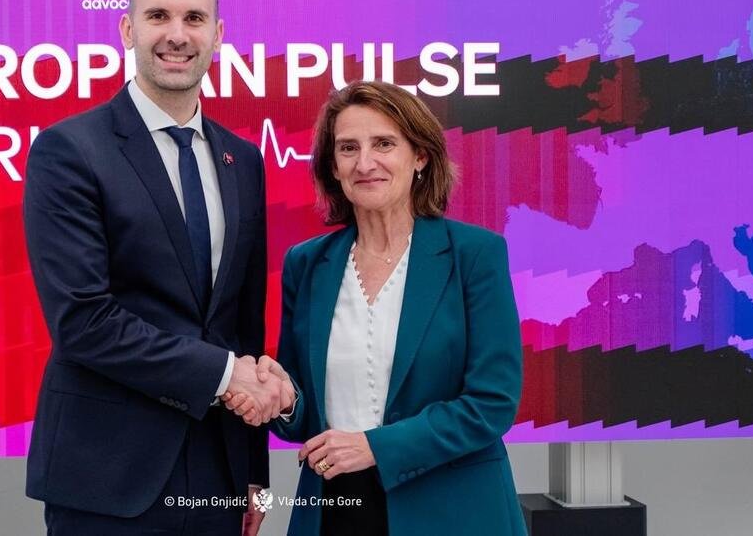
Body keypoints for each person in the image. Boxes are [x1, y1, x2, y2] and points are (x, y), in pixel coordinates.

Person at [23, 0, 293, 536]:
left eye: (194, 18)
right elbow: (83, 322)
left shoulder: (243, 160)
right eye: (158, 16)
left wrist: (252, 469)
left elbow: (242, 325)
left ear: (218, 34)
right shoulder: (69, 151)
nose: (177, 35)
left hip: (218, 470)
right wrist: (225, 375)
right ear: (128, 29)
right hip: (109, 474)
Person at [225, 80, 527, 535]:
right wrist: (284, 402)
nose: (365, 163)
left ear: (420, 156)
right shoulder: (306, 264)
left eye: (384, 144)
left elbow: (493, 401)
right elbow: (303, 416)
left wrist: (375, 447)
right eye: (348, 148)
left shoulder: (474, 255)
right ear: (333, 166)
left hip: (453, 512)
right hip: (334, 508)